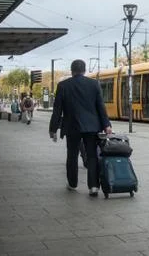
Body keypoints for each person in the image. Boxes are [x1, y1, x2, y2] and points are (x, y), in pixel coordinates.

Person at [49, 59, 112, 197]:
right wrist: (107, 125)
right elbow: (100, 106)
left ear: (72, 71)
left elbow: (57, 110)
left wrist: (53, 129)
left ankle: (72, 183)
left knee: (72, 156)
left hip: (72, 127)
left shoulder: (63, 85)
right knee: (92, 156)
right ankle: (93, 187)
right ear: (84, 70)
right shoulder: (94, 84)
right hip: (91, 127)